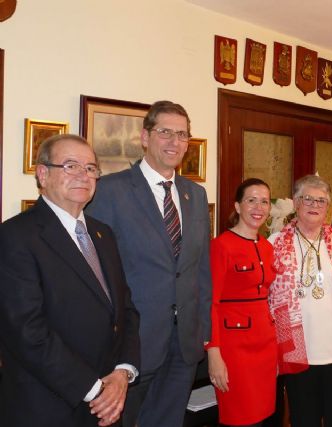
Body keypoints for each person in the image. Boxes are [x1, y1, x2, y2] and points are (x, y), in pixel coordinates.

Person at [86, 101, 212, 427]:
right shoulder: (109, 191)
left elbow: (200, 270)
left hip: (183, 344)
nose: (174, 142)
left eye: (182, 134)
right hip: (131, 345)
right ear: (145, 137)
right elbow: (95, 273)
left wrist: (203, 331)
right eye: (165, 132)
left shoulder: (195, 196)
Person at [0, 134, 140, 426]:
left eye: (91, 168)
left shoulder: (103, 234)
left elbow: (125, 310)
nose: (83, 175)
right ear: (42, 174)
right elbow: (27, 332)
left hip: (109, 400)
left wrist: (122, 373)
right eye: (71, 166)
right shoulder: (15, 237)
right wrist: (96, 389)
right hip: (49, 405)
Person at [269, 174, 332, 427]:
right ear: (295, 203)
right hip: (297, 351)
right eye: (308, 199)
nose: (315, 205)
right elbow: (266, 298)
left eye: (321, 201)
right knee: (304, 418)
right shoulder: (275, 243)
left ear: (328, 206)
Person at [207, 178, 278, 426]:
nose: (258, 207)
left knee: (264, 415)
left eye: (264, 202)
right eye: (251, 200)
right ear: (238, 206)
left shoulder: (267, 247)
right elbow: (210, 303)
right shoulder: (220, 246)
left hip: (266, 345)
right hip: (234, 348)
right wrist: (213, 354)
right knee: (239, 417)